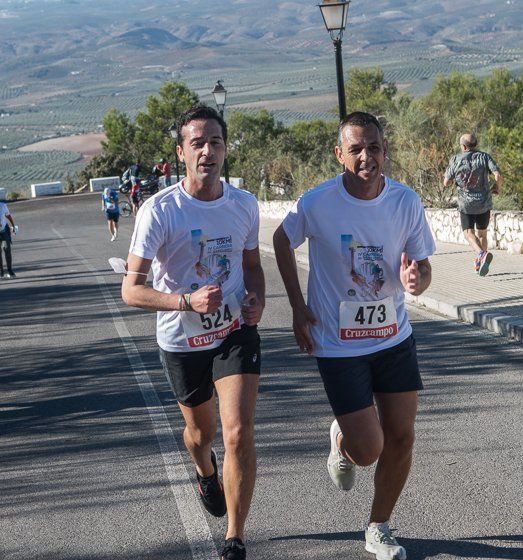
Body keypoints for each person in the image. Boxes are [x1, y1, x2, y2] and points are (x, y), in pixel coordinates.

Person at [273, 111, 435, 560]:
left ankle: (378, 527)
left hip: (393, 336)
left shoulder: (405, 201)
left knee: (402, 436)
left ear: (385, 149)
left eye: (375, 147)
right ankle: (344, 440)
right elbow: (281, 240)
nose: (367, 157)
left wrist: (417, 278)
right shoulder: (317, 202)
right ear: (339, 154)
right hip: (338, 344)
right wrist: (297, 307)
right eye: (357, 149)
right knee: (368, 450)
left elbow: (421, 264)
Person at [122, 106, 265, 560]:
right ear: (181, 152)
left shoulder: (243, 204)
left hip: (233, 333)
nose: (208, 151)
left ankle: (235, 538)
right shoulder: (160, 211)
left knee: (238, 431)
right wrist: (185, 302)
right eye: (198, 143)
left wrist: (257, 299)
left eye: (216, 142)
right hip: (182, 339)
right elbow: (131, 290)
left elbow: (252, 268)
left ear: (226, 149)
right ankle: (204, 472)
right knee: (200, 435)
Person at [443, 133, 503, 276]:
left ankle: (481, 254)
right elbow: (498, 176)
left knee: (468, 233)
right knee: (482, 233)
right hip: (484, 202)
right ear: (475, 145)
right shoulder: (484, 157)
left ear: (463, 146)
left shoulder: (456, 159)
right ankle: (480, 261)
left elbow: (446, 182)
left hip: (466, 204)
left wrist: (452, 181)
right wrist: (496, 187)